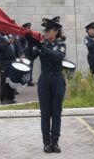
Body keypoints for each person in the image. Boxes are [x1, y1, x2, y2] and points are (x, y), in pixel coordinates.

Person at [28, 17, 66, 153]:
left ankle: (55, 142)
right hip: (44, 80)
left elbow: (57, 57)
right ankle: (46, 142)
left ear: (56, 31)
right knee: (45, 113)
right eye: (45, 30)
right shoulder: (41, 44)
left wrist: (41, 47)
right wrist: (29, 41)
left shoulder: (60, 44)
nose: (46, 32)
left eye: (48, 30)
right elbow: (29, 57)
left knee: (56, 112)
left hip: (57, 79)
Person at [0, 32, 23, 104]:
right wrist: (8, 42)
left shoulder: (11, 35)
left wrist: (20, 56)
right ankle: (3, 99)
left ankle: (11, 97)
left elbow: (17, 46)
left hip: (13, 61)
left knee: (12, 80)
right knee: (4, 81)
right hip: (4, 62)